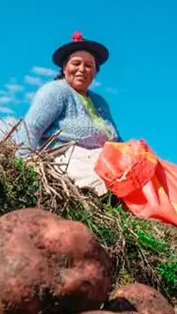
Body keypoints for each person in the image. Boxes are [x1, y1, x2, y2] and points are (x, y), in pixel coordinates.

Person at [22, 31, 121, 195]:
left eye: (89, 65)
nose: (82, 69)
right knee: (110, 183)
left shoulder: (100, 102)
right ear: (64, 68)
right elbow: (30, 128)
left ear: (95, 72)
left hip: (105, 158)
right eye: (76, 63)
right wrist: (25, 165)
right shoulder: (55, 91)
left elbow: (117, 139)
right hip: (68, 158)